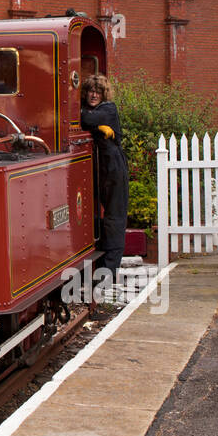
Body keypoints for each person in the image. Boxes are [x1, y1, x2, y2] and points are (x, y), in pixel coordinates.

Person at [80, 73, 129, 290]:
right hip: (100, 167)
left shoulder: (108, 108)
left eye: (97, 92)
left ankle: (110, 271)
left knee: (114, 217)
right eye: (90, 91)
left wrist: (94, 124)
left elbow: (86, 119)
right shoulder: (95, 109)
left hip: (114, 167)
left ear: (103, 94)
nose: (93, 95)